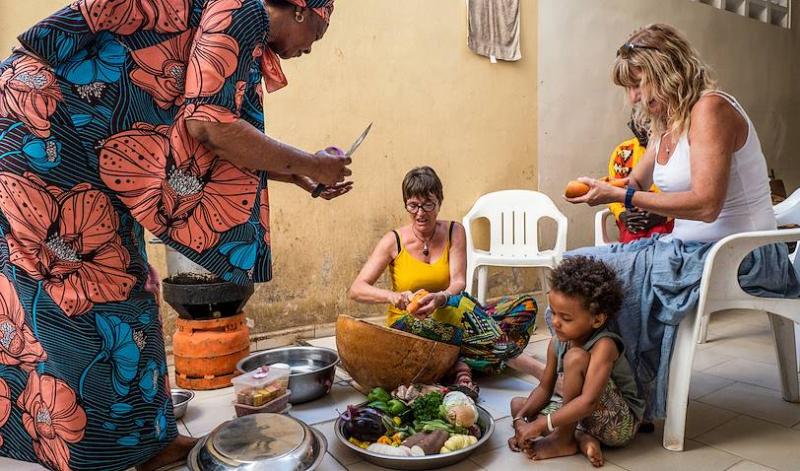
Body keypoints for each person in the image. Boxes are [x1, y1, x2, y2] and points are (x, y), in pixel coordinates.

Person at [0, 1, 351, 470]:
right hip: (43, 126)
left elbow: (205, 129)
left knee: (129, 281)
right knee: (86, 292)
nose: (309, 50)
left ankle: (147, 443)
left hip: (76, 135)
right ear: (305, 12)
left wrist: (297, 175)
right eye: (318, 37)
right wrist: (313, 164)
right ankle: (94, 453)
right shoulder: (244, 10)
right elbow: (209, 127)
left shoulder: (234, 17)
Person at [559, 24, 800, 419]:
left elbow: (706, 205)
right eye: (629, 88)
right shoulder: (665, 122)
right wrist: (605, 187)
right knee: (581, 269)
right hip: (690, 252)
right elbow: (635, 181)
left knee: (606, 275)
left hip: (743, 257)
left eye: (639, 84)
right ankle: (599, 388)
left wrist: (624, 196)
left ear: (668, 70)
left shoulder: (711, 110)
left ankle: (627, 394)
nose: (634, 97)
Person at [349, 166, 538, 397]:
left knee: (525, 306)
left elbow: (458, 282)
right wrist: (393, 296)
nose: (420, 213)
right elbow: (357, 289)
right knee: (472, 318)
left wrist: (440, 298)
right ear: (406, 204)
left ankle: (461, 360)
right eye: (413, 205)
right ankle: (538, 371)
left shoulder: (454, 231)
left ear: (439, 202)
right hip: (411, 325)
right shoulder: (394, 241)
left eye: (428, 204)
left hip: (453, 313)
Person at [509, 257, 644, 467]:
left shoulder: (605, 345)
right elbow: (545, 389)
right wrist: (520, 422)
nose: (555, 322)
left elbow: (589, 401)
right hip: (585, 417)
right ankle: (581, 437)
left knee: (575, 357)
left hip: (620, 424)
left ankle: (563, 439)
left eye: (566, 318)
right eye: (553, 313)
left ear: (597, 319)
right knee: (519, 405)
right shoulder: (557, 342)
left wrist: (542, 424)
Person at [607, 108, 673, 243]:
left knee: (659, 235)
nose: (643, 129)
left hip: (666, 215)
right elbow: (613, 191)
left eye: (648, 122)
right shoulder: (623, 152)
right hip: (632, 215)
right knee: (632, 234)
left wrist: (663, 215)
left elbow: (683, 193)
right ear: (631, 127)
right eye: (637, 124)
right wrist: (623, 215)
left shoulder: (670, 148)